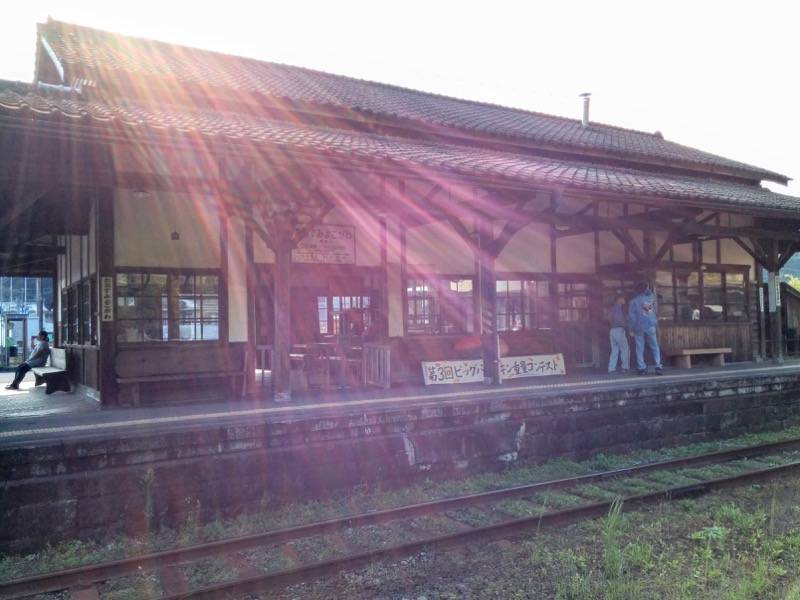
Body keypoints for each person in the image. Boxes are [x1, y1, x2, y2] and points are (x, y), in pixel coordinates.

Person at [628, 282, 663, 376]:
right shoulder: (650, 298)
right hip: (650, 325)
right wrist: (647, 287)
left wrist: (631, 329)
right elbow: (651, 293)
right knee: (655, 346)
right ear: (646, 289)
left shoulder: (633, 301)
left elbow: (632, 317)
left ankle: (641, 368)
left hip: (638, 327)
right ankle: (658, 366)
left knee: (639, 348)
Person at [607, 294, 630, 374]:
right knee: (625, 349)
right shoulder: (618, 308)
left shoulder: (612, 308)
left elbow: (608, 318)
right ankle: (625, 367)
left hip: (612, 330)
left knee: (614, 350)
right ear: (619, 299)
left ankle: (611, 368)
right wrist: (626, 325)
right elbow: (619, 320)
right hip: (619, 330)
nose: (625, 300)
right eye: (623, 298)